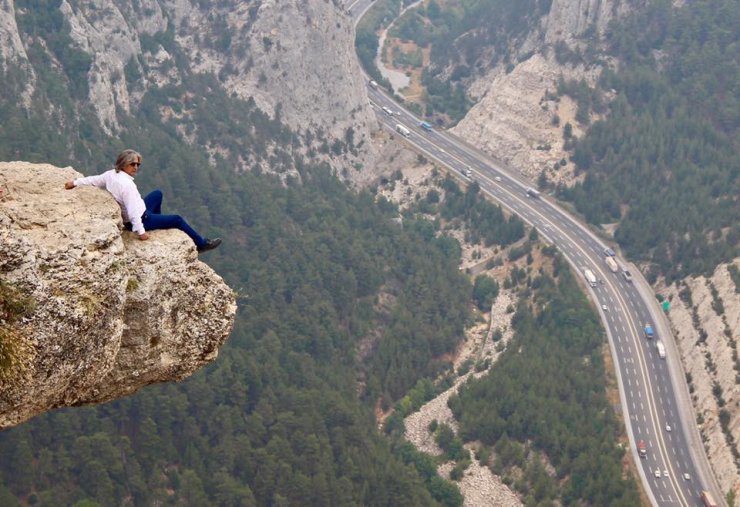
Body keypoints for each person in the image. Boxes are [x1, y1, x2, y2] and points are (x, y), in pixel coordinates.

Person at [64, 149, 221, 253]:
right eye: (132, 164)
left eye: (138, 164)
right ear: (123, 164)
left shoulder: (112, 174)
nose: (136, 167)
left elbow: (94, 180)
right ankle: (201, 244)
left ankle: (159, 223)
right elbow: (133, 211)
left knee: (157, 194)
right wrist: (141, 232)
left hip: (143, 211)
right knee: (177, 220)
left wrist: (75, 182)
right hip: (142, 219)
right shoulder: (127, 185)